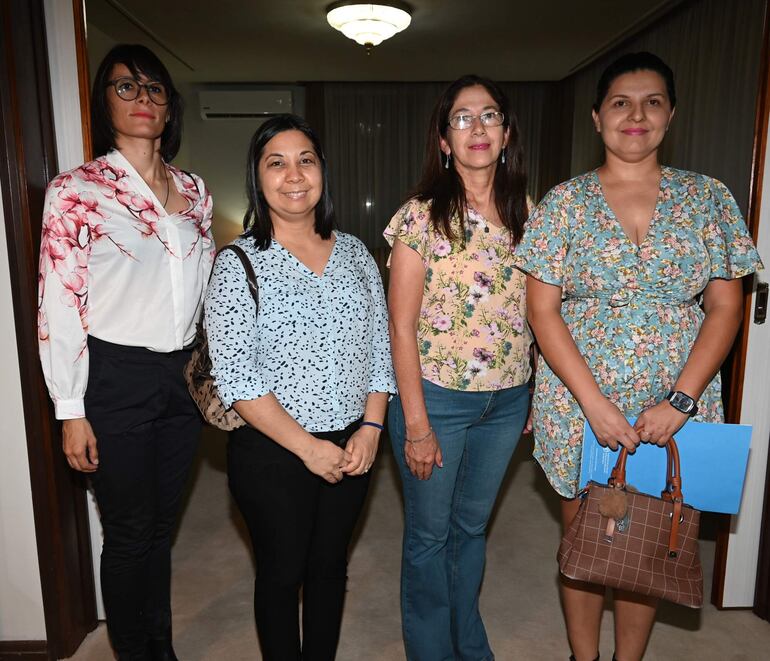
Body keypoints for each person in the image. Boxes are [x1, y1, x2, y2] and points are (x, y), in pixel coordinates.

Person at [514, 52, 763, 661]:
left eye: (653, 101)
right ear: (598, 118)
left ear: (670, 115)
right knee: (586, 542)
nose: (637, 115)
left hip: (675, 404)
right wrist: (594, 405)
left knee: (648, 540)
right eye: (621, 102)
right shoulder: (564, 204)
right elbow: (541, 309)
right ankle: (584, 657)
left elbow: (725, 309)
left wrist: (681, 400)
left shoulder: (708, 199)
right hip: (578, 404)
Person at [37, 44, 214, 660]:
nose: (143, 100)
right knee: (130, 529)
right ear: (104, 101)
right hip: (113, 375)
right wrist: (70, 409)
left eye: (155, 89)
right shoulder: (75, 191)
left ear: (170, 108)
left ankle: (158, 647)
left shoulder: (196, 192)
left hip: (182, 375)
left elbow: (204, 286)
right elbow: (59, 302)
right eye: (126, 87)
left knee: (161, 530)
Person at [203, 113, 395, 661]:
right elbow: (238, 378)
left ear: (322, 173)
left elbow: (380, 349)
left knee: (331, 568)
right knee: (283, 574)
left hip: (353, 444)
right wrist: (310, 449)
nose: (294, 174)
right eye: (277, 162)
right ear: (258, 178)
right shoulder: (237, 264)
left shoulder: (357, 252)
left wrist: (372, 428)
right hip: (273, 450)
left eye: (306, 160)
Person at [385, 75, 532, 660]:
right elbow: (400, 326)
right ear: (444, 140)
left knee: (470, 531)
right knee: (429, 536)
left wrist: (534, 392)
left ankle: (468, 644)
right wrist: (416, 425)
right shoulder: (420, 217)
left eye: (489, 115)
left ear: (506, 132)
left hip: (507, 402)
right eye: (462, 118)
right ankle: (430, 652)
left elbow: (541, 310)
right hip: (436, 400)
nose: (477, 127)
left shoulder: (531, 211)